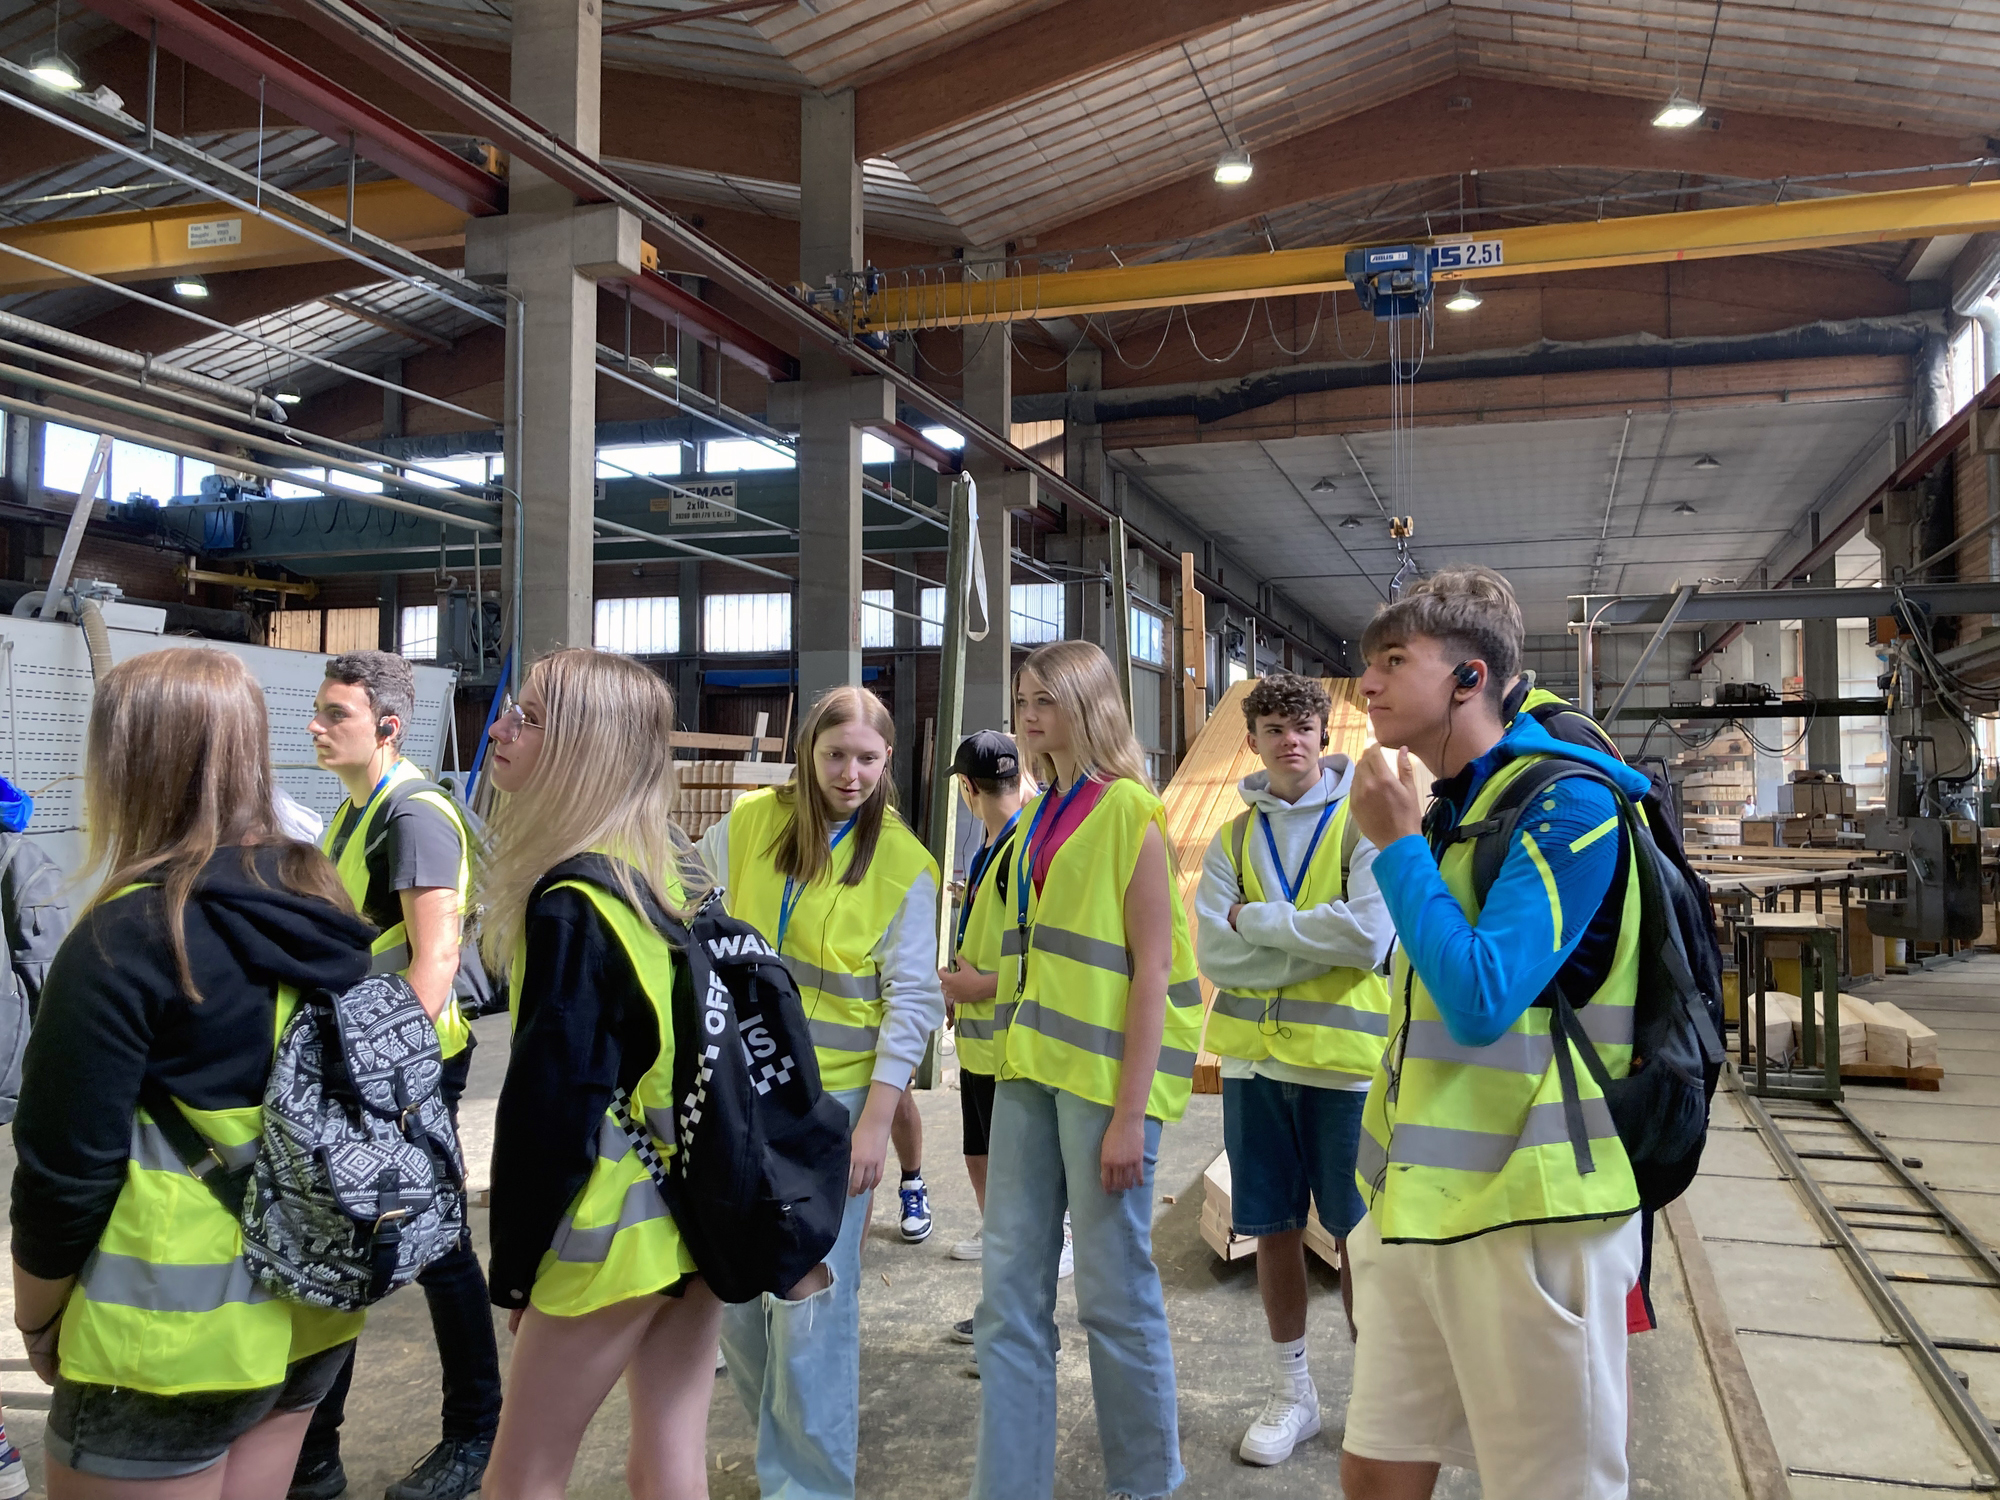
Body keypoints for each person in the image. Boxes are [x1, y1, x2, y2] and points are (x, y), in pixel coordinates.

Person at [11, 647, 376, 1497]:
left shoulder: (125, 936)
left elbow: (66, 1169)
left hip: (165, 1335)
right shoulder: (320, 902)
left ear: (124, 765)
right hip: (310, 1305)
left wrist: (36, 1316)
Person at [1342, 566, 1650, 1500]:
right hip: (1417, 1211)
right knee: (1377, 1471)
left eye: (1395, 661)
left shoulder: (1570, 805)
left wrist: (1397, 845)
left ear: (1470, 679)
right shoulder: (1457, 810)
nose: (1367, 684)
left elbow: (1480, 1000)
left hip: (1532, 1219)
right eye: (1369, 663)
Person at [477, 648, 723, 1500]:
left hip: (607, 1234)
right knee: (668, 1465)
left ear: (585, 748)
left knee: (521, 1479)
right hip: (696, 1211)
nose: (500, 729)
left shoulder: (573, 903)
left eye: (529, 717)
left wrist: (517, 1264)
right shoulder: (663, 875)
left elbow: (551, 1113)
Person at [972, 640, 1204, 1500]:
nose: (1029, 716)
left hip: (1105, 1088)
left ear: (1090, 706)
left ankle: (1146, 1482)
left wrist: (1130, 1115)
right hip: (1028, 1073)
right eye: (1023, 700)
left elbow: (1154, 969)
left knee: (1112, 1295)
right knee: (1007, 1296)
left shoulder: (1130, 811)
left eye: (1047, 701)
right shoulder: (1038, 815)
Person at [699, 684, 944, 1500]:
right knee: (739, 1302)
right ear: (808, 752)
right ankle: (786, 1456)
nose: (850, 773)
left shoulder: (904, 863)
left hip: (828, 1116)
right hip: (736, 1103)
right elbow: (685, 893)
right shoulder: (749, 824)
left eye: (867, 758)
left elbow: (911, 1003)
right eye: (835, 754)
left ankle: (808, 1487)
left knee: (811, 1312)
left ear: (887, 761)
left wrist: (876, 1124)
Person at [293, 651, 500, 1500]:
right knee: (343, 1242)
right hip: (362, 1062)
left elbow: (435, 958)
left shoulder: (414, 815)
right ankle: (314, 1448)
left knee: (439, 1247)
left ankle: (474, 1436)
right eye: (319, 710)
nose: (316, 725)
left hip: (408, 1073)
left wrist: (384, 1078)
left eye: (335, 714)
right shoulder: (355, 811)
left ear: (386, 726)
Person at [1192, 671, 1393, 1467]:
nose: (1290, 741)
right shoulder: (1231, 839)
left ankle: (1376, 1399)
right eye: (1274, 729)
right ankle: (1293, 1393)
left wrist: (1257, 922)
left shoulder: (1359, 828)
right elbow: (1217, 956)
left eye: (1302, 727)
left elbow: (1368, 938)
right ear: (1252, 742)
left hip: (1344, 1070)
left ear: (1324, 736)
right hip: (1253, 1067)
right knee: (1272, 1227)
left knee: (1357, 1240)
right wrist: (1312, 938)